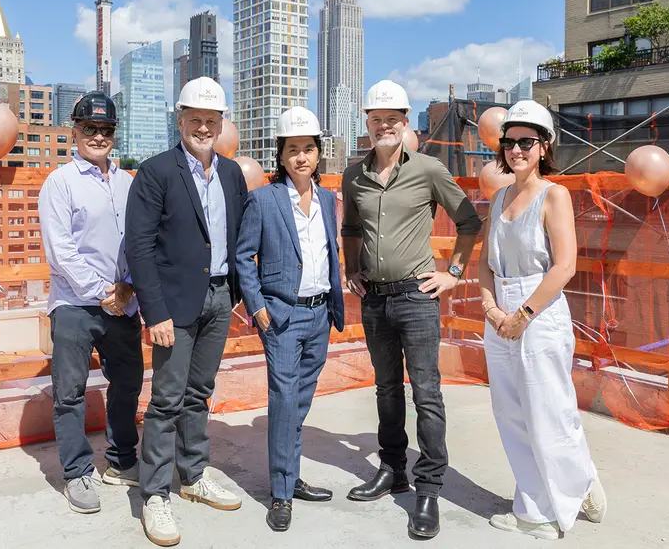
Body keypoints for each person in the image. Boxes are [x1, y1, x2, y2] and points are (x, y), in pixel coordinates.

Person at [341, 80, 482, 540]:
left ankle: (430, 487)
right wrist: (351, 268)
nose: (385, 125)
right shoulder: (352, 175)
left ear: (405, 123)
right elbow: (350, 227)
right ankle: (392, 469)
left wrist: (454, 274)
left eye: (393, 119)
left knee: (426, 393)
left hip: (417, 298)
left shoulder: (428, 170)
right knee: (385, 389)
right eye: (377, 118)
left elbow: (469, 221)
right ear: (367, 123)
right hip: (376, 299)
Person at [125, 76, 248, 547]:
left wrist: (236, 293)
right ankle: (155, 494)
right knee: (167, 400)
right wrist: (153, 312)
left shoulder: (232, 174)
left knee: (200, 392)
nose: (202, 127)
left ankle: (193, 475)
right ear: (180, 121)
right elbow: (138, 246)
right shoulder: (157, 172)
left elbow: (238, 235)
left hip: (219, 298)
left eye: (210, 120)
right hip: (173, 306)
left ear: (221, 124)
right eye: (194, 119)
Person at [478, 98, 607, 541]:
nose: (516, 150)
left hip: (540, 309)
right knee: (510, 412)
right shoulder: (498, 199)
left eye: (526, 142)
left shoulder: (555, 195)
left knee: (548, 409)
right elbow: (484, 264)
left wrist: (523, 315)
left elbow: (564, 265)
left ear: (544, 146)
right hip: (500, 311)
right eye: (510, 142)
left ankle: (550, 510)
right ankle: (560, 489)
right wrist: (491, 308)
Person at [235, 106, 345, 532]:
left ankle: (290, 474)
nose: (301, 156)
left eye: (309, 149)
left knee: (299, 402)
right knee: (283, 402)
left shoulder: (328, 199)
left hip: (320, 314)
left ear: (319, 154)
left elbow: (329, 252)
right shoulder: (263, 199)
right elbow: (245, 255)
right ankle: (281, 493)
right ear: (280, 156)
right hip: (280, 315)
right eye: (293, 149)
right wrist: (257, 306)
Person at [38, 91, 142, 514]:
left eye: (106, 129)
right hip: (76, 306)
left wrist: (128, 288)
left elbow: (140, 242)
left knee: (128, 384)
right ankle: (77, 472)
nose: (98, 136)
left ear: (114, 134)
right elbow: (60, 250)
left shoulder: (127, 181)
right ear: (75, 131)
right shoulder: (59, 183)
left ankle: (119, 460)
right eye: (89, 128)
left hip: (124, 303)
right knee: (69, 393)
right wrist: (104, 292)